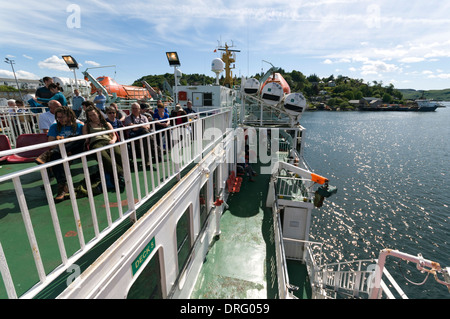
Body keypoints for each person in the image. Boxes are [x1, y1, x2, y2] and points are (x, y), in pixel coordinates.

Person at [47, 106, 85, 201]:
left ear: (69, 116)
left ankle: (60, 151)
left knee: (78, 138)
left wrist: (67, 140)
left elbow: (84, 141)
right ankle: (62, 186)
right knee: (55, 157)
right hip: (61, 151)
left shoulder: (79, 126)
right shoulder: (54, 127)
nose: (60, 119)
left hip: (75, 150)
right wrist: (57, 139)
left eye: (62, 117)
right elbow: (50, 143)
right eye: (58, 117)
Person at [83, 105, 124, 189]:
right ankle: (120, 175)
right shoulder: (87, 126)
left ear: (98, 113)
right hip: (96, 143)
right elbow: (85, 138)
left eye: (93, 114)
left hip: (108, 141)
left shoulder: (107, 123)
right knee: (105, 158)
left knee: (118, 154)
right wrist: (87, 139)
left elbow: (114, 135)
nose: (92, 117)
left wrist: (113, 141)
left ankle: (117, 175)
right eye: (90, 115)